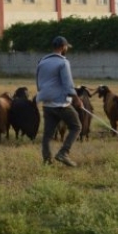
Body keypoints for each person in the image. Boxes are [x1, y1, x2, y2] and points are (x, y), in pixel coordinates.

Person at [35, 36, 83, 167]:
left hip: (47, 103)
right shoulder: (63, 62)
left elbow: (38, 82)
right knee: (76, 126)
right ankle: (63, 153)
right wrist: (77, 99)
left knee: (48, 134)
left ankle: (47, 161)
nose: (67, 49)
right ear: (63, 47)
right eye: (67, 47)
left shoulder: (42, 61)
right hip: (61, 104)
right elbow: (68, 84)